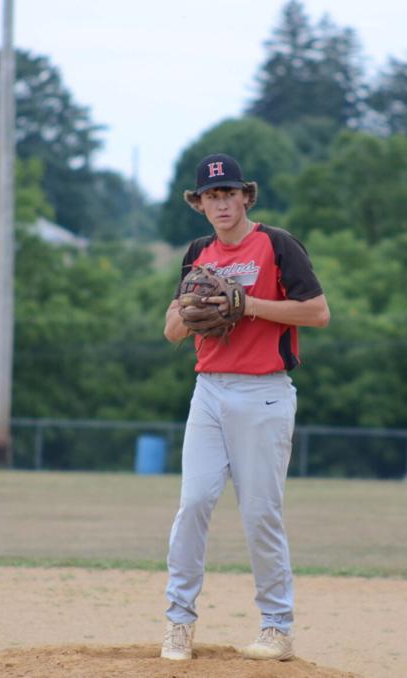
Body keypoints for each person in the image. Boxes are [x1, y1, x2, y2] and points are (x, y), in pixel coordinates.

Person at [160, 153, 330, 662]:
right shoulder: (197, 252)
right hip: (209, 391)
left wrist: (247, 304)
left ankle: (277, 626)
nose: (222, 202)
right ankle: (177, 622)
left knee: (259, 513)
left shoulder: (277, 245)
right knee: (194, 502)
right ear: (200, 204)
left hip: (264, 392)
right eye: (211, 195)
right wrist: (192, 312)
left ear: (245, 197)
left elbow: (318, 313)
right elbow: (170, 331)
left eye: (229, 193)